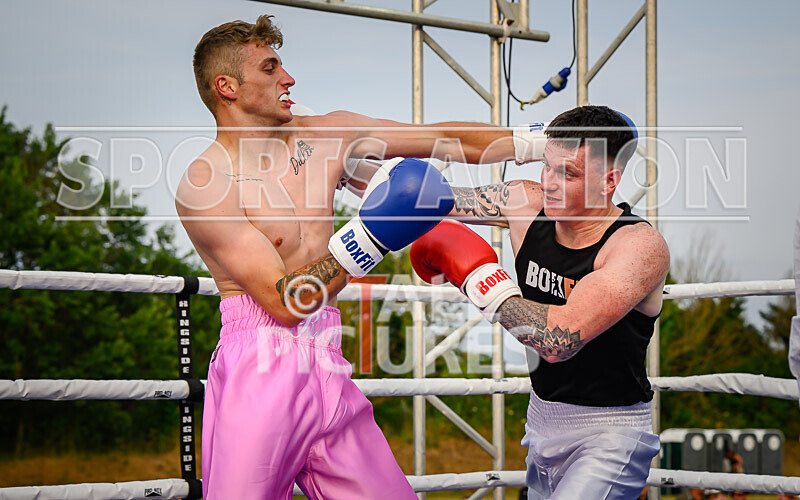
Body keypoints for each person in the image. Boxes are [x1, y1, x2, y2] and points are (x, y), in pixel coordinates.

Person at [176, 15, 545, 499]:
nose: (288, 79)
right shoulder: (206, 185)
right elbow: (284, 304)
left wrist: (541, 142)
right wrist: (370, 236)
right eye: (270, 69)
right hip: (260, 363)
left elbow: (442, 138)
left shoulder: (328, 134)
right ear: (226, 86)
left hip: (328, 358)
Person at [410, 105, 670, 499]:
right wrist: (347, 167)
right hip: (541, 421)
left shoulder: (637, 246)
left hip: (610, 434)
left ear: (609, 181)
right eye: (547, 166)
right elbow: (425, 199)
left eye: (569, 174)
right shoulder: (525, 203)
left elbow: (558, 341)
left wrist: (480, 280)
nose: (550, 182)